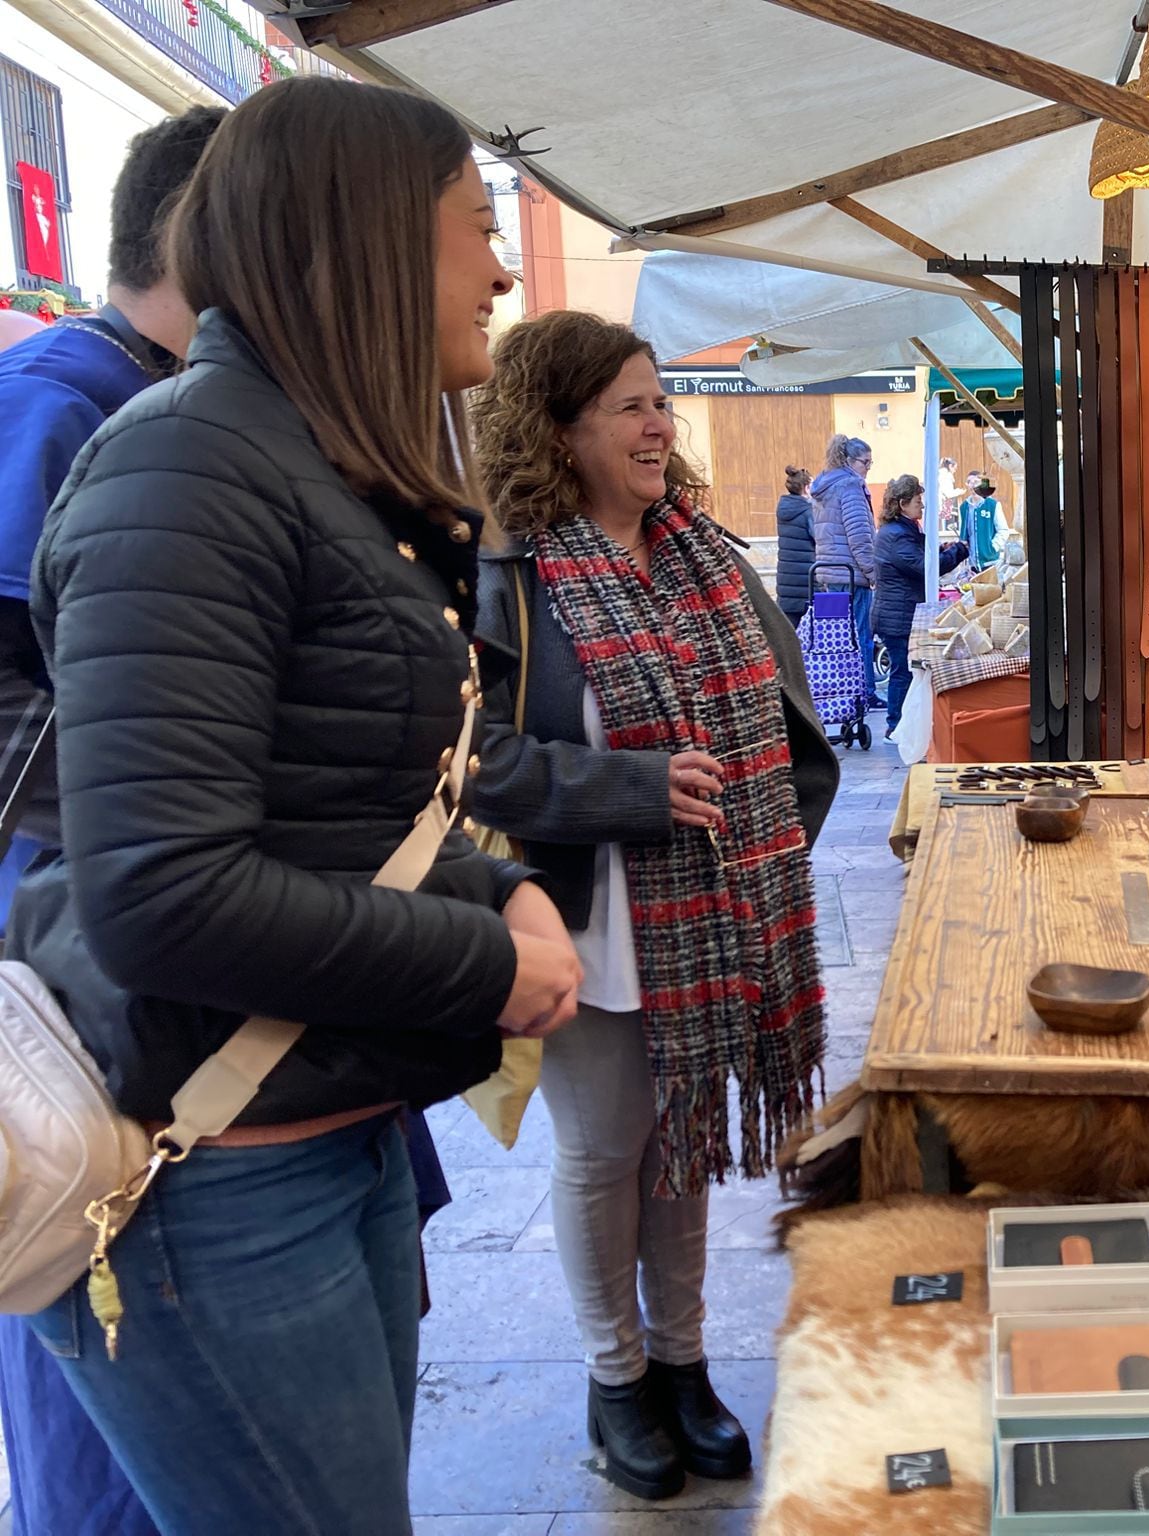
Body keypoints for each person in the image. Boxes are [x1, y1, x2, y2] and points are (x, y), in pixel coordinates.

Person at [10, 77, 583, 1534]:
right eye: (476, 229)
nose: (502, 271)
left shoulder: (311, 470)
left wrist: (491, 884)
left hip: (320, 1128)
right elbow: (165, 893)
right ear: (369, 242)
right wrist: (484, 957)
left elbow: (328, 804)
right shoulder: (186, 464)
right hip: (210, 1184)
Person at [468, 309, 837, 1500]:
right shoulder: (509, 574)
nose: (655, 424)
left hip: (712, 915)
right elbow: (468, 757)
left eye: (659, 401)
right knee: (602, 1154)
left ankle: (683, 1366)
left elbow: (788, 730)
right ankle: (614, 1377)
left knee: (679, 1150)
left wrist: (767, 851)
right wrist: (627, 788)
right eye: (628, 404)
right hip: (579, 915)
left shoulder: (703, 556)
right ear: (559, 425)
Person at [0, 109, 225, 1536]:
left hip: (146, 963)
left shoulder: (157, 398)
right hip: (86, 985)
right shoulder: (63, 396)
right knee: (101, 1355)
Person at [809, 432, 879, 710]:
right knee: (861, 637)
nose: (868, 469)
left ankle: (844, 694)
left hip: (829, 573)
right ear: (849, 461)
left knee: (838, 639)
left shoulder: (824, 486)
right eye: (866, 462)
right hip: (851, 574)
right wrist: (873, 574)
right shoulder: (850, 486)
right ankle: (865, 693)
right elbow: (860, 536)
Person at [872, 473, 928, 739]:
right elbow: (921, 566)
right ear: (903, 503)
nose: (922, 505)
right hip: (897, 615)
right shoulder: (897, 535)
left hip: (898, 611)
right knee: (902, 671)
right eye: (918, 501)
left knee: (903, 670)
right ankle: (895, 727)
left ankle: (900, 724)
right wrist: (955, 553)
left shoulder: (902, 530)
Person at [774, 463, 816, 627]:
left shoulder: (783, 509)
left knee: (790, 632)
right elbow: (818, 538)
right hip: (806, 579)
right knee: (813, 633)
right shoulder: (808, 511)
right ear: (806, 488)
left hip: (786, 579)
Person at [959, 473, 1006, 569]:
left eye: (975, 482)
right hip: (971, 564)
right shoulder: (964, 507)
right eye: (969, 482)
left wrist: (993, 547)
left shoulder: (992, 505)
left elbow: (1003, 530)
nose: (972, 485)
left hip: (990, 562)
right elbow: (963, 531)